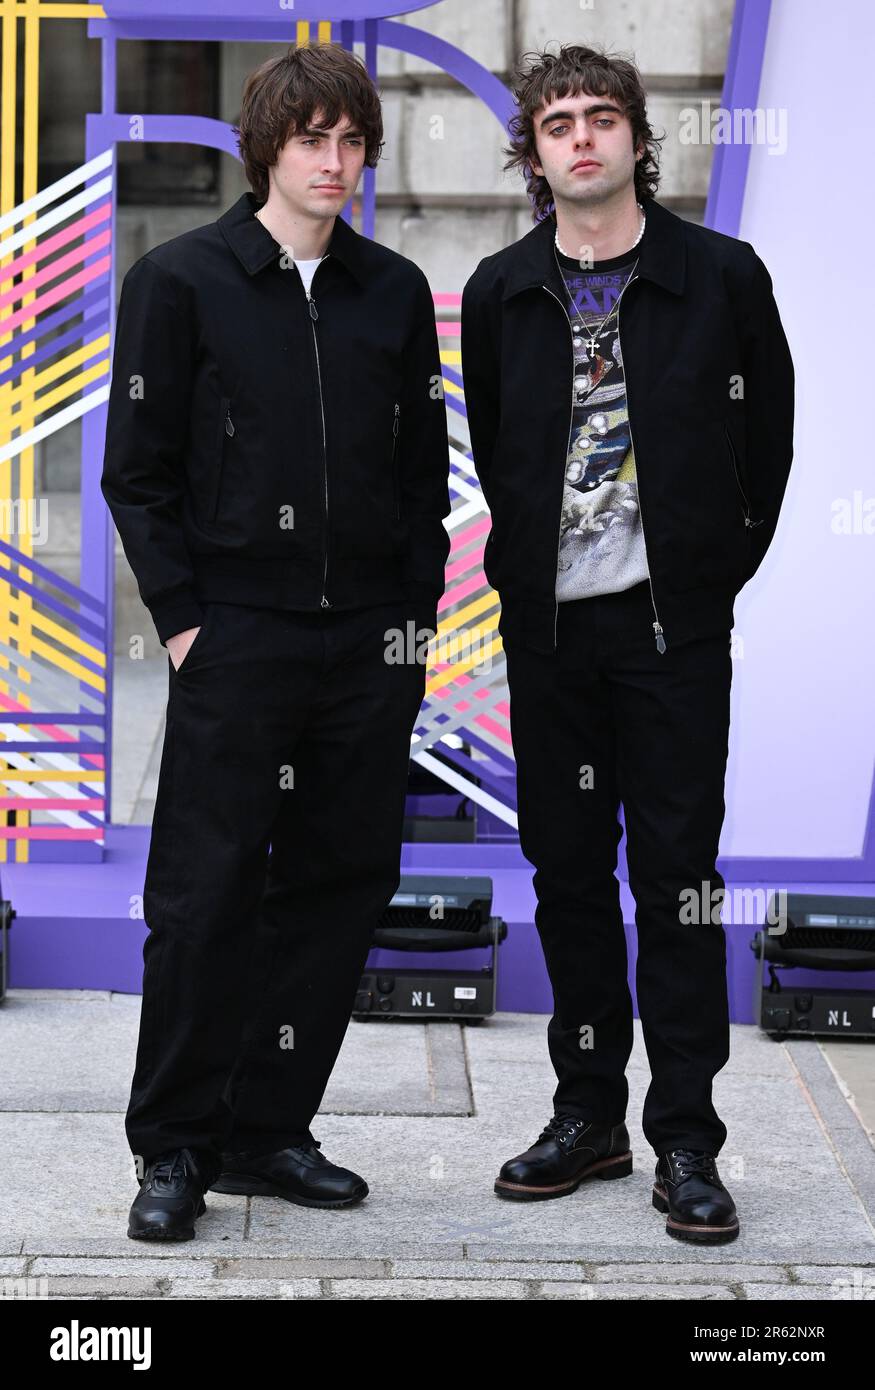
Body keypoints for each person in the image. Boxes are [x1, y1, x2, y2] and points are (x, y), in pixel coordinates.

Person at [101, 42, 450, 1242]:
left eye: (353, 140)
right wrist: (190, 623)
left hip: (366, 646)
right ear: (268, 147)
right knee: (201, 897)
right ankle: (176, 1146)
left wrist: (412, 623)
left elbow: (421, 481)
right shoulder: (184, 283)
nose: (336, 161)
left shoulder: (392, 292)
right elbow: (135, 477)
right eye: (313, 139)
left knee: (335, 888)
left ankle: (267, 1128)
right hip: (236, 636)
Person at [461, 43, 794, 1244]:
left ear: (638, 139)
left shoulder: (719, 276)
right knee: (565, 881)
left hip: (670, 636)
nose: (582, 139)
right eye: (558, 123)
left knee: (678, 884)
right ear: (534, 151)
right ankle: (587, 1112)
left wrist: (704, 581)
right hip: (551, 636)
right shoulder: (499, 290)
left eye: (603, 118)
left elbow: (766, 454)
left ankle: (688, 1137)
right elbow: (502, 454)